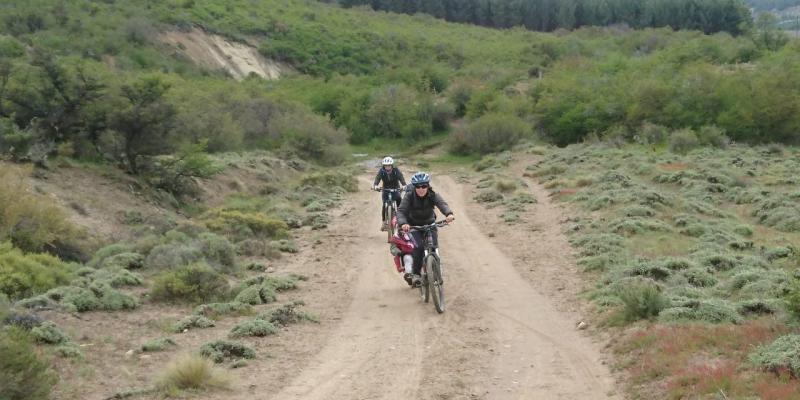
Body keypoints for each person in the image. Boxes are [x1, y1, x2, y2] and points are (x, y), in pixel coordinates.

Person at [396, 172, 455, 286]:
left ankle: (435, 270)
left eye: (424, 186)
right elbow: (401, 211)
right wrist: (403, 223)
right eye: (418, 186)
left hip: (430, 224)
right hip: (414, 226)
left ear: (428, 186)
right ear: (414, 187)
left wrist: (449, 214)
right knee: (418, 248)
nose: (421, 189)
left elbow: (442, 204)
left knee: (433, 247)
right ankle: (416, 274)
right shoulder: (409, 196)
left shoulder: (432, 195)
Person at [372, 156, 406, 231]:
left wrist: (404, 185)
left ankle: (401, 221)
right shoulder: (382, 171)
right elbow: (377, 178)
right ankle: (384, 222)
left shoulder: (396, 171)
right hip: (385, 190)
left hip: (395, 189)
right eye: (386, 166)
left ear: (392, 165)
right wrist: (375, 185)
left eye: (389, 165)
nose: (387, 167)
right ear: (383, 166)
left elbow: (401, 178)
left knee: (400, 203)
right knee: (384, 205)